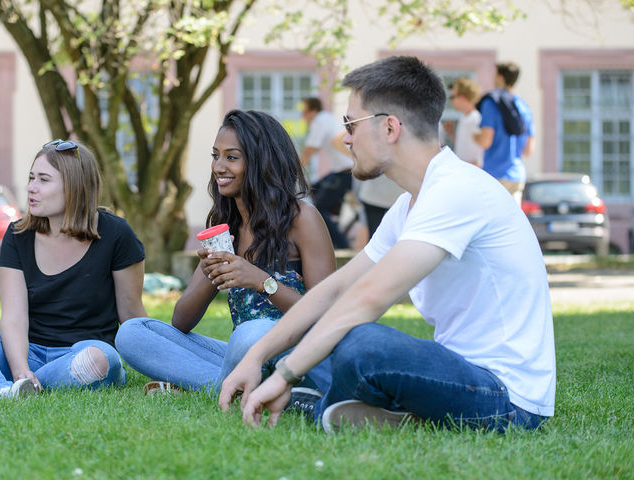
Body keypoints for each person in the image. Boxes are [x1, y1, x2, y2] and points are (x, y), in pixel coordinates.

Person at [219, 56, 555, 434]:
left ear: (390, 127)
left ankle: (341, 404)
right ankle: (372, 411)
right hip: (453, 375)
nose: (345, 138)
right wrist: (258, 355)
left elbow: (365, 300)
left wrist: (283, 374)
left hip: (505, 398)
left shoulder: (457, 190)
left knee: (362, 343)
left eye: (351, 124)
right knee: (289, 332)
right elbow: (335, 289)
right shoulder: (410, 203)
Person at [115, 110, 335, 395]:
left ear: (261, 162)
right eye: (215, 155)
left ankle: (225, 386)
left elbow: (325, 315)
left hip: (294, 354)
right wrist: (209, 274)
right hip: (241, 355)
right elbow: (180, 322)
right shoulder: (225, 225)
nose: (219, 166)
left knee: (250, 333)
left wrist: (260, 281)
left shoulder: (302, 218)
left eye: (232, 157)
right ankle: (236, 386)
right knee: (133, 332)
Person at [0, 140, 148, 398]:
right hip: (26, 352)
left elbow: (132, 315)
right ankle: (1, 390)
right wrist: (21, 369)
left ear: (75, 186)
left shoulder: (117, 234)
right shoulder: (18, 234)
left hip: (82, 355)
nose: (31, 188)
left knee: (101, 359)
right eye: (31, 178)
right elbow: (13, 317)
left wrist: (165, 367)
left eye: (44, 180)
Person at [473, 61, 535, 205]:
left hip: (495, 174)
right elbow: (528, 150)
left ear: (500, 78)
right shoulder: (523, 106)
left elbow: (485, 141)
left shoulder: (492, 103)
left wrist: (473, 136)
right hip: (517, 175)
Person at [300, 97, 354, 249]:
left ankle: (342, 244)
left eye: (304, 112)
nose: (303, 116)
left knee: (319, 207)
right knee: (313, 189)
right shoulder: (326, 118)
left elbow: (310, 149)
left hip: (346, 172)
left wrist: (293, 170)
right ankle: (333, 221)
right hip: (340, 171)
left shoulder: (320, 120)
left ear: (313, 111)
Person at [444, 77, 484, 167]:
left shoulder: (475, 119)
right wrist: (451, 133)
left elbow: (480, 154)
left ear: (462, 98)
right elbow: (465, 145)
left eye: (453, 97)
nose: (451, 101)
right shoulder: (465, 117)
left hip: (471, 172)